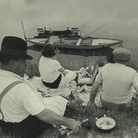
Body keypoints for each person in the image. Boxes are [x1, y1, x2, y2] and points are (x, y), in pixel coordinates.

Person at [0, 36, 81, 138]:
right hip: (24, 128)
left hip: (5, 125)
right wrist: (69, 123)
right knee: (58, 102)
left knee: (48, 101)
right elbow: (43, 115)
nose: (25, 65)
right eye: (23, 61)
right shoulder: (21, 88)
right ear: (13, 63)